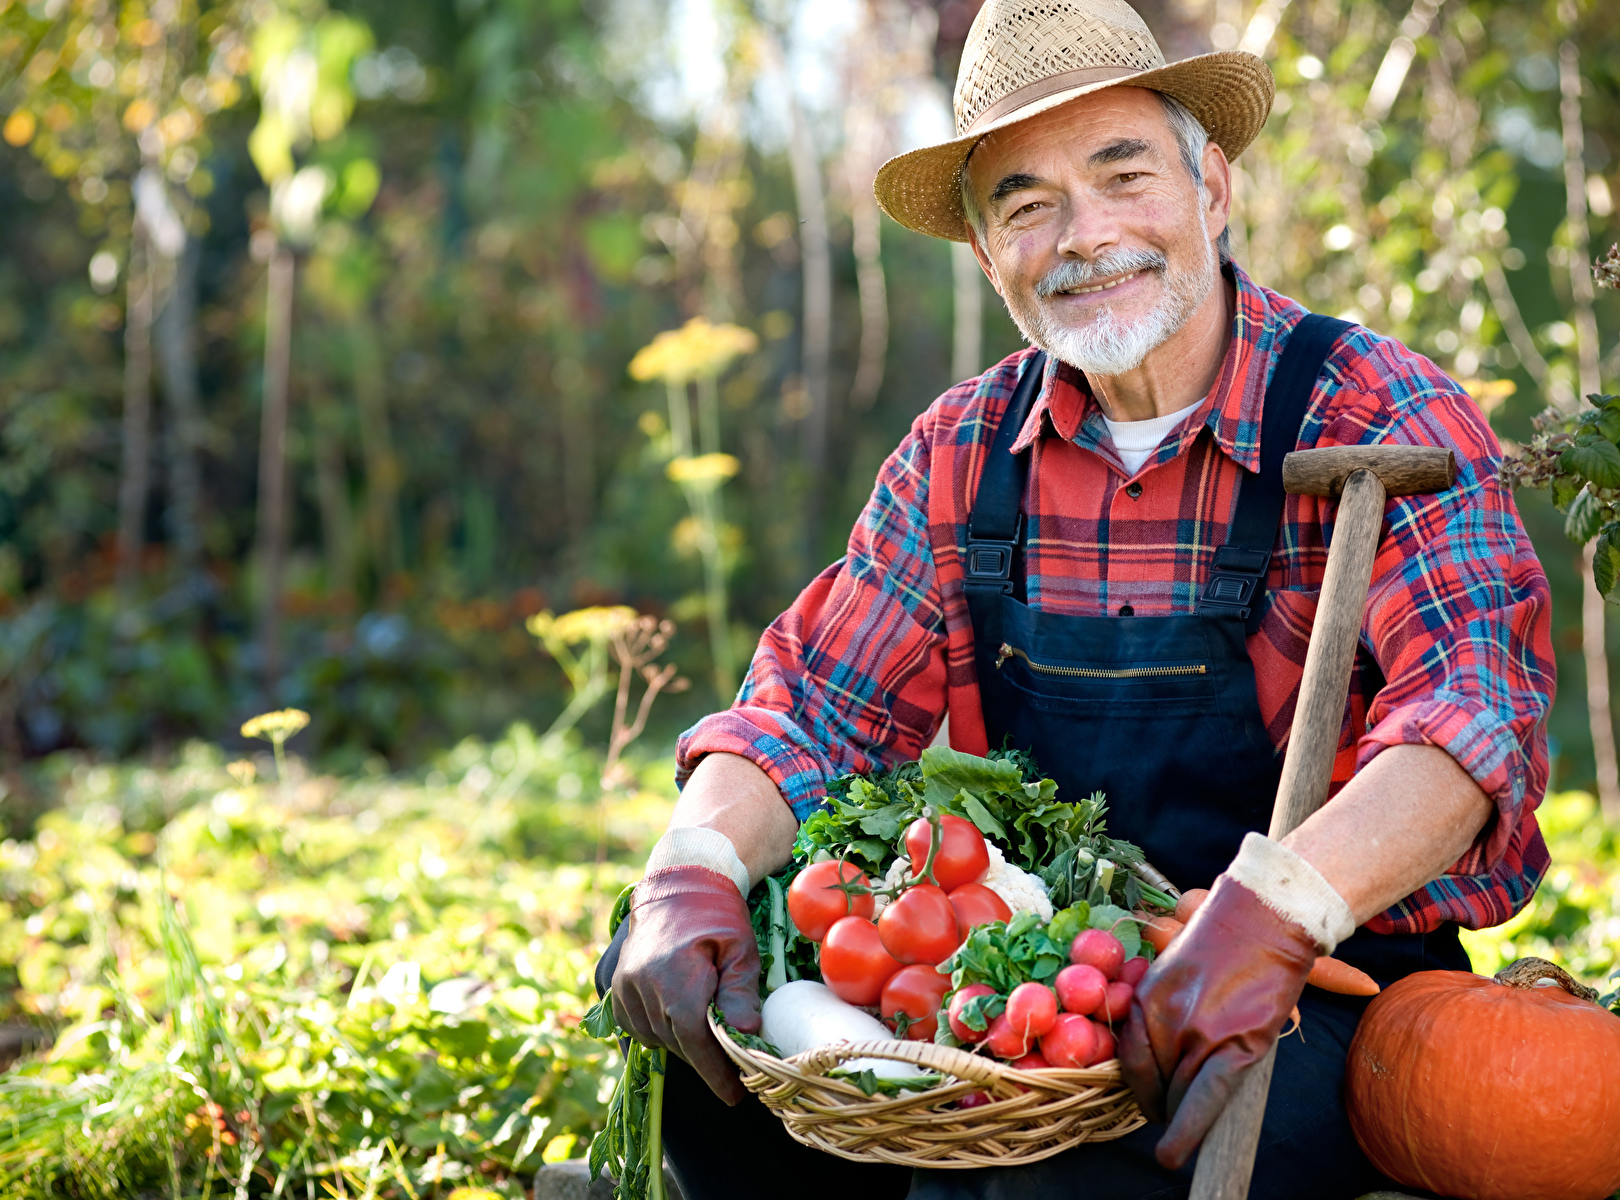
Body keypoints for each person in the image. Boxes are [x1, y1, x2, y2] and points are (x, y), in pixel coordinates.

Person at [597, 0, 1555, 1196]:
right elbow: (814, 709)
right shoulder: (964, 449)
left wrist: (1281, 908)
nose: (1084, 234)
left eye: (1121, 172)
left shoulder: (1375, 414)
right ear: (990, 255)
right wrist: (688, 866)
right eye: (1026, 201)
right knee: (688, 1014)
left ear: (1211, 187)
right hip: (1039, 987)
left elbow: (1472, 719)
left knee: (1051, 1187)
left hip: (1317, 986)